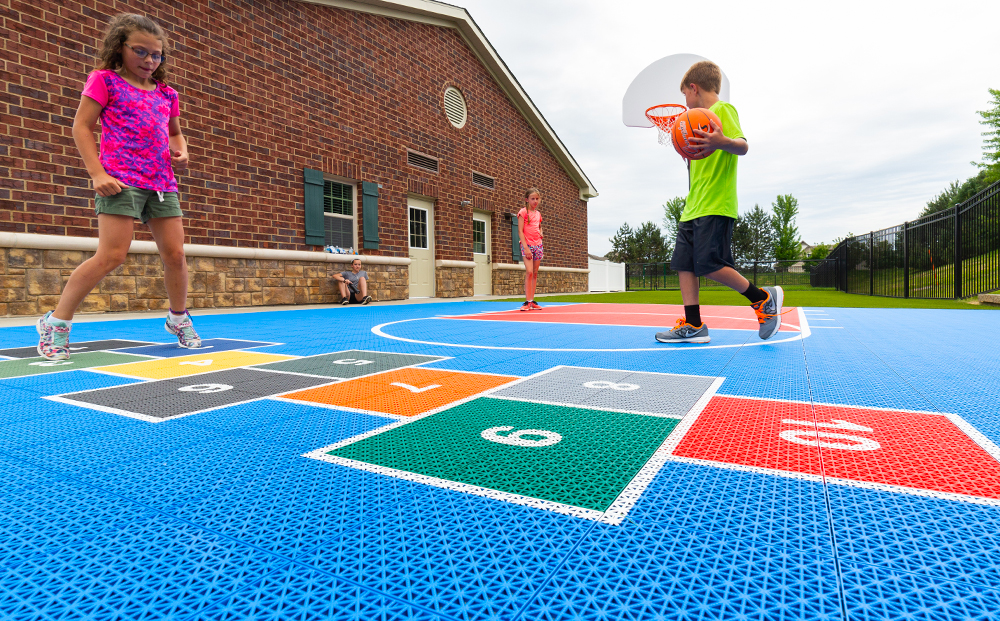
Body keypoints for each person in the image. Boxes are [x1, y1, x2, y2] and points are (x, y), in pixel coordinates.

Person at [36, 14, 200, 360]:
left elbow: (174, 133)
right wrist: (97, 174)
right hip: (119, 181)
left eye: (156, 55)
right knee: (111, 255)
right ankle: (56, 323)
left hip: (161, 184)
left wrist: (181, 150)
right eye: (140, 51)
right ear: (120, 48)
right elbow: (81, 127)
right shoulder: (104, 80)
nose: (149, 60)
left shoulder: (168, 93)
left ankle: (178, 318)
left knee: (176, 255)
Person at [655, 61, 783, 344]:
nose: (684, 103)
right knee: (684, 265)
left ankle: (762, 298)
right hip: (693, 206)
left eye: (684, 96)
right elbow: (699, 165)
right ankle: (694, 324)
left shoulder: (722, 111)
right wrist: (688, 154)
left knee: (710, 264)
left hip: (716, 204)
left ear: (693, 88)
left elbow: (742, 146)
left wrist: (719, 140)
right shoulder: (694, 125)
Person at [517, 188, 544, 311]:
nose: (535, 201)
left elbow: (539, 226)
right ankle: (527, 302)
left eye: (537, 199)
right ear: (527, 199)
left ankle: (532, 301)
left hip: (538, 245)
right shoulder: (523, 212)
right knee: (529, 272)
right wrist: (526, 248)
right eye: (533, 198)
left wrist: (541, 233)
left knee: (535, 273)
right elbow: (520, 232)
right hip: (527, 245)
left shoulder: (538, 214)